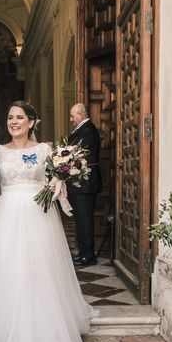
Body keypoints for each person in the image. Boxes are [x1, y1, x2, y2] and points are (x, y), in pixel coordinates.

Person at [0, 100, 93, 342]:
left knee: (39, 273)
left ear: (31, 122)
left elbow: (54, 178)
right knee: (8, 273)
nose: (14, 122)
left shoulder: (45, 150)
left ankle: (43, 335)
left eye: (20, 117)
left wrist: (59, 180)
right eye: (10, 118)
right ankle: (5, 338)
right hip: (7, 215)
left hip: (38, 216)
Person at [67, 103, 102, 267]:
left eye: (73, 116)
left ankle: (88, 255)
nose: (71, 119)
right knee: (81, 219)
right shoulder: (82, 129)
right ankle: (83, 252)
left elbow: (75, 153)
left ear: (80, 114)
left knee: (85, 219)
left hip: (84, 183)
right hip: (79, 183)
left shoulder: (87, 130)